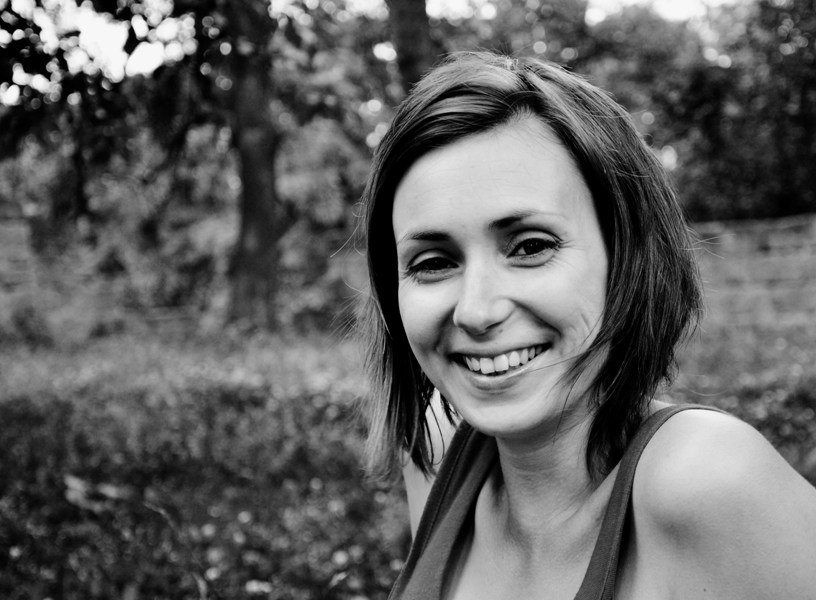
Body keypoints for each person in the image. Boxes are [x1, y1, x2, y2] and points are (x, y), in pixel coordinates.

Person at [357, 51, 816, 599]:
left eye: (530, 247)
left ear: (626, 257)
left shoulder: (710, 482)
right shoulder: (435, 448)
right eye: (433, 262)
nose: (476, 311)